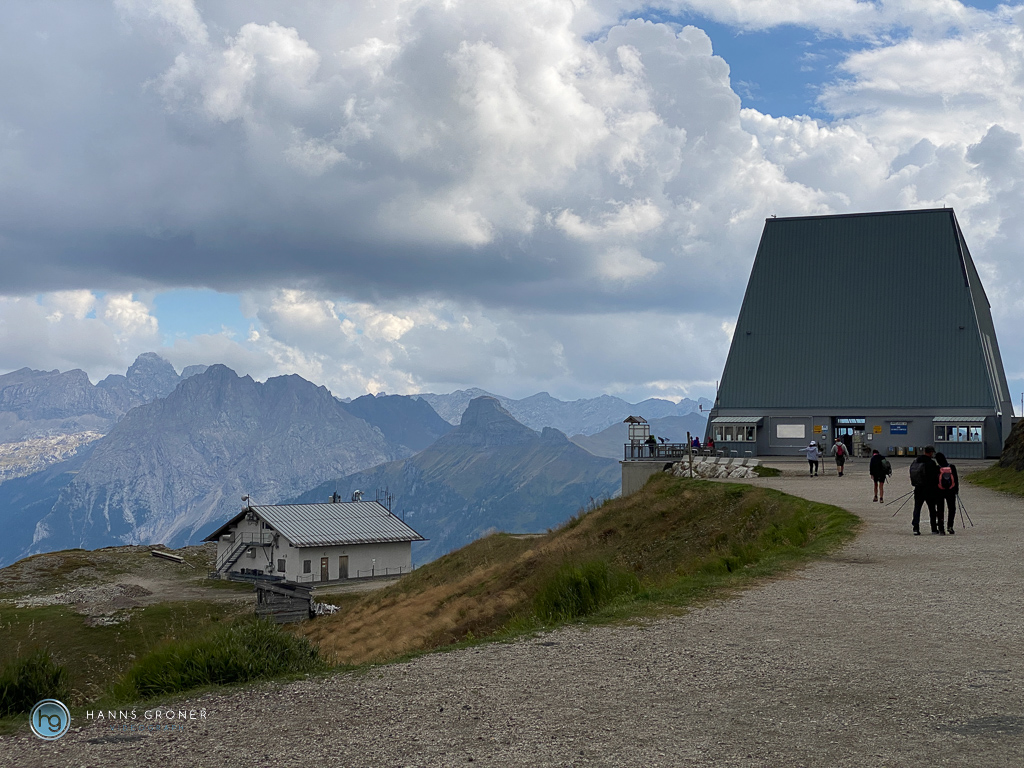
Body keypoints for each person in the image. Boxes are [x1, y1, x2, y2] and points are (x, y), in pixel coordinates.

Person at [909, 446, 940, 535]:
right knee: (932, 509)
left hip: (918, 488)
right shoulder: (931, 463)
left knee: (917, 508)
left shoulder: (916, 461)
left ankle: (916, 528)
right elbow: (934, 477)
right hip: (929, 489)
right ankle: (934, 528)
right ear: (930, 453)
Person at [934, 452, 960, 534]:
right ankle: (950, 526)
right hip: (951, 490)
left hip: (939, 491)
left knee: (940, 509)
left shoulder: (937, 468)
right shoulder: (952, 467)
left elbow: (934, 481)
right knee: (952, 509)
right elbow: (956, 479)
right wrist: (956, 490)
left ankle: (941, 528)